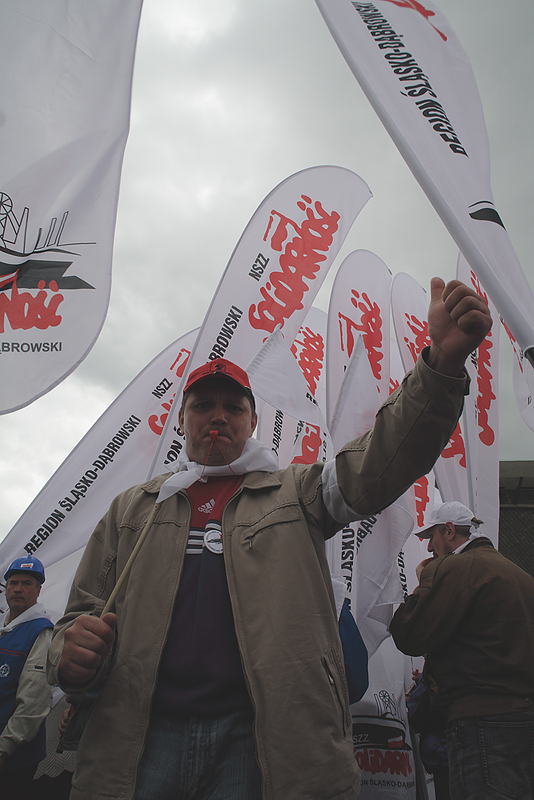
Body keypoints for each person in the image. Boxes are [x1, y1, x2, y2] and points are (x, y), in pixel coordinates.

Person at [47, 278, 492, 800]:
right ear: (182, 421)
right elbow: (78, 618)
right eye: (203, 405)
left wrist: (440, 367)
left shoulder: (299, 494)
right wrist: (69, 654)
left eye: (233, 407)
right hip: (143, 742)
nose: (218, 416)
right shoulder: (134, 511)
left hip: (259, 743)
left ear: (253, 421)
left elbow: (381, 460)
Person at [390, 500, 534, 800]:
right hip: (523, 718)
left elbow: (408, 634)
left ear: (449, 531)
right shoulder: (521, 576)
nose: (429, 547)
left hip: (480, 722)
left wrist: (423, 584)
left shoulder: (454, 568)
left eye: (431, 537)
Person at [0, 556, 53, 794]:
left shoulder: (41, 632)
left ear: (38, 590)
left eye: (26, 583)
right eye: (13, 583)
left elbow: (33, 702)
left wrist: (4, 749)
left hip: (13, 757)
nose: (18, 589)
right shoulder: (4, 626)